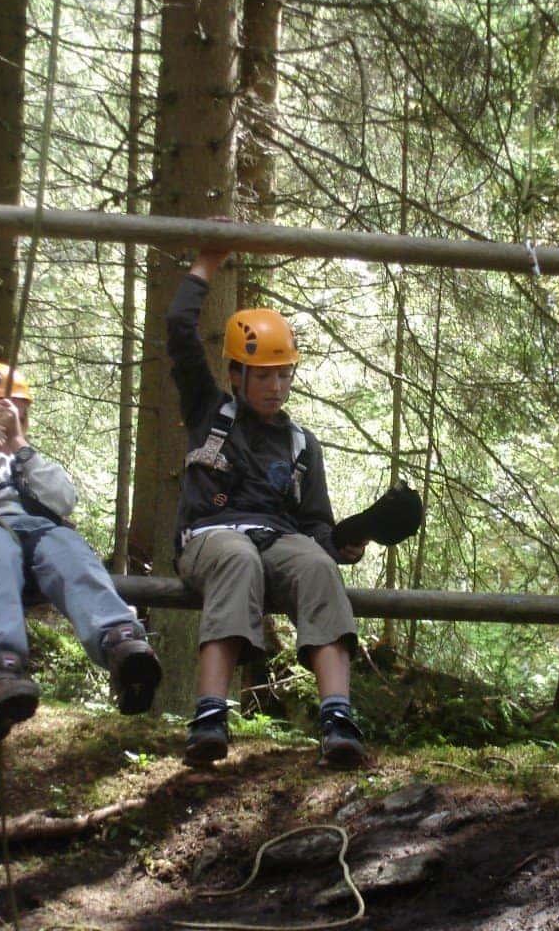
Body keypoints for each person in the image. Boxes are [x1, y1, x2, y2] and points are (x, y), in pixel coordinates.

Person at [167, 244, 367, 769]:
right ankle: (210, 715)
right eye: (262, 375)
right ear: (236, 373)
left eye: (283, 375)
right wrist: (205, 264)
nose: (275, 387)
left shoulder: (302, 443)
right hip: (211, 538)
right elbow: (179, 331)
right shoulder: (209, 410)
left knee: (318, 566)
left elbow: (315, 522)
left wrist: (339, 546)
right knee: (237, 556)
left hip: (277, 540)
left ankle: (338, 718)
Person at [0, 361, 162, 740]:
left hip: (39, 533)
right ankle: (0, 670)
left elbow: (64, 501)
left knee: (69, 547)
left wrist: (21, 448)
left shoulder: (27, 461)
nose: (5, 422)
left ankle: (120, 641)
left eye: (15, 415)